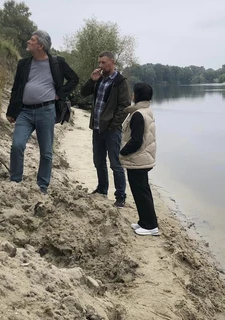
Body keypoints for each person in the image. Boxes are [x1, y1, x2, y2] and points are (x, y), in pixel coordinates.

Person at [6, 30, 79, 194]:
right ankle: (15, 180)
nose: (28, 42)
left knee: (46, 152)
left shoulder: (57, 63)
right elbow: (16, 87)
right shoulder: (23, 63)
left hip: (46, 111)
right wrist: (11, 111)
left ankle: (42, 186)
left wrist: (59, 94)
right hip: (24, 112)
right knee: (17, 145)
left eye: (32, 40)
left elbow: (74, 79)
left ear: (41, 46)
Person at [80, 51, 131, 207]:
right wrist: (92, 80)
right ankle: (102, 189)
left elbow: (125, 106)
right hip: (97, 128)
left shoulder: (120, 82)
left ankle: (120, 196)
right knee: (98, 160)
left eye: (103, 62)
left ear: (112, 62)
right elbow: (83, 93)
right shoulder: (99, 79)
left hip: (111, 130)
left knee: (115, 163)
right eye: (99, 62)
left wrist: (113, 124)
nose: (100, 66)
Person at [120, 83, 159, 236]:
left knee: (141, 192)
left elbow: (136, 140)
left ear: (136, 96)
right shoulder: (146, 110)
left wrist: (122, 152)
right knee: (142, 190)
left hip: (139, 159)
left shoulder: (138, 114)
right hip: (144, 157)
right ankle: (145, 221)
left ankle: (150, 226)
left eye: (133, 93)